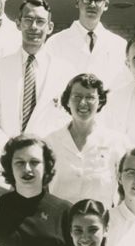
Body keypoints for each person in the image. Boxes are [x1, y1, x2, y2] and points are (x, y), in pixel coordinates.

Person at [0, 0, 70, 138]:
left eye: (40, 21)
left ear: (50, 27)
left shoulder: (64, 71)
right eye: (28, 20)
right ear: (18, 24)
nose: (33, 27)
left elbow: (67, 119)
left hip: (47, 152)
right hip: (6, 151)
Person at [44, 73, 128, 207]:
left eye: (90, 97)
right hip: (59, 223)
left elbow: (125, 190)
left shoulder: (117, 142)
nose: (83, 103)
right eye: (77, 96)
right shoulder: (49, 143)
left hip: (99, 223)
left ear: (100, 101)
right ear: (67, 101)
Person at [44, 0, 127, 89]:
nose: (92, 5)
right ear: (77, 2)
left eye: (97, 0)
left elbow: (124, 83)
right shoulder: (55, 42)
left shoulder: (119, 44)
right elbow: (47, 83)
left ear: (106, 5)